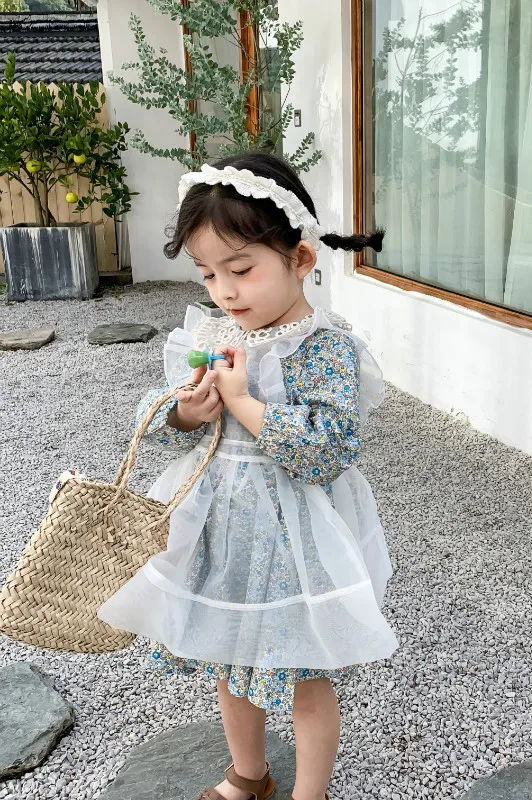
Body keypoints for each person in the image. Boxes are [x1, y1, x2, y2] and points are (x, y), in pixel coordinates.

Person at [98, 152, 398, 800]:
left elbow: (327, 449)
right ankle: (248, 774)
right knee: (230, 659)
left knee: (306, 673)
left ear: (301, 259)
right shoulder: (214, 333)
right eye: (208, 273)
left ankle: (310, 793)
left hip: (298, 538)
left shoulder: (325, 347)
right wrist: (186, 411)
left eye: (241, 270)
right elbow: (155, 421)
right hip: (224, 530)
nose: (225, 291)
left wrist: (244, 404)